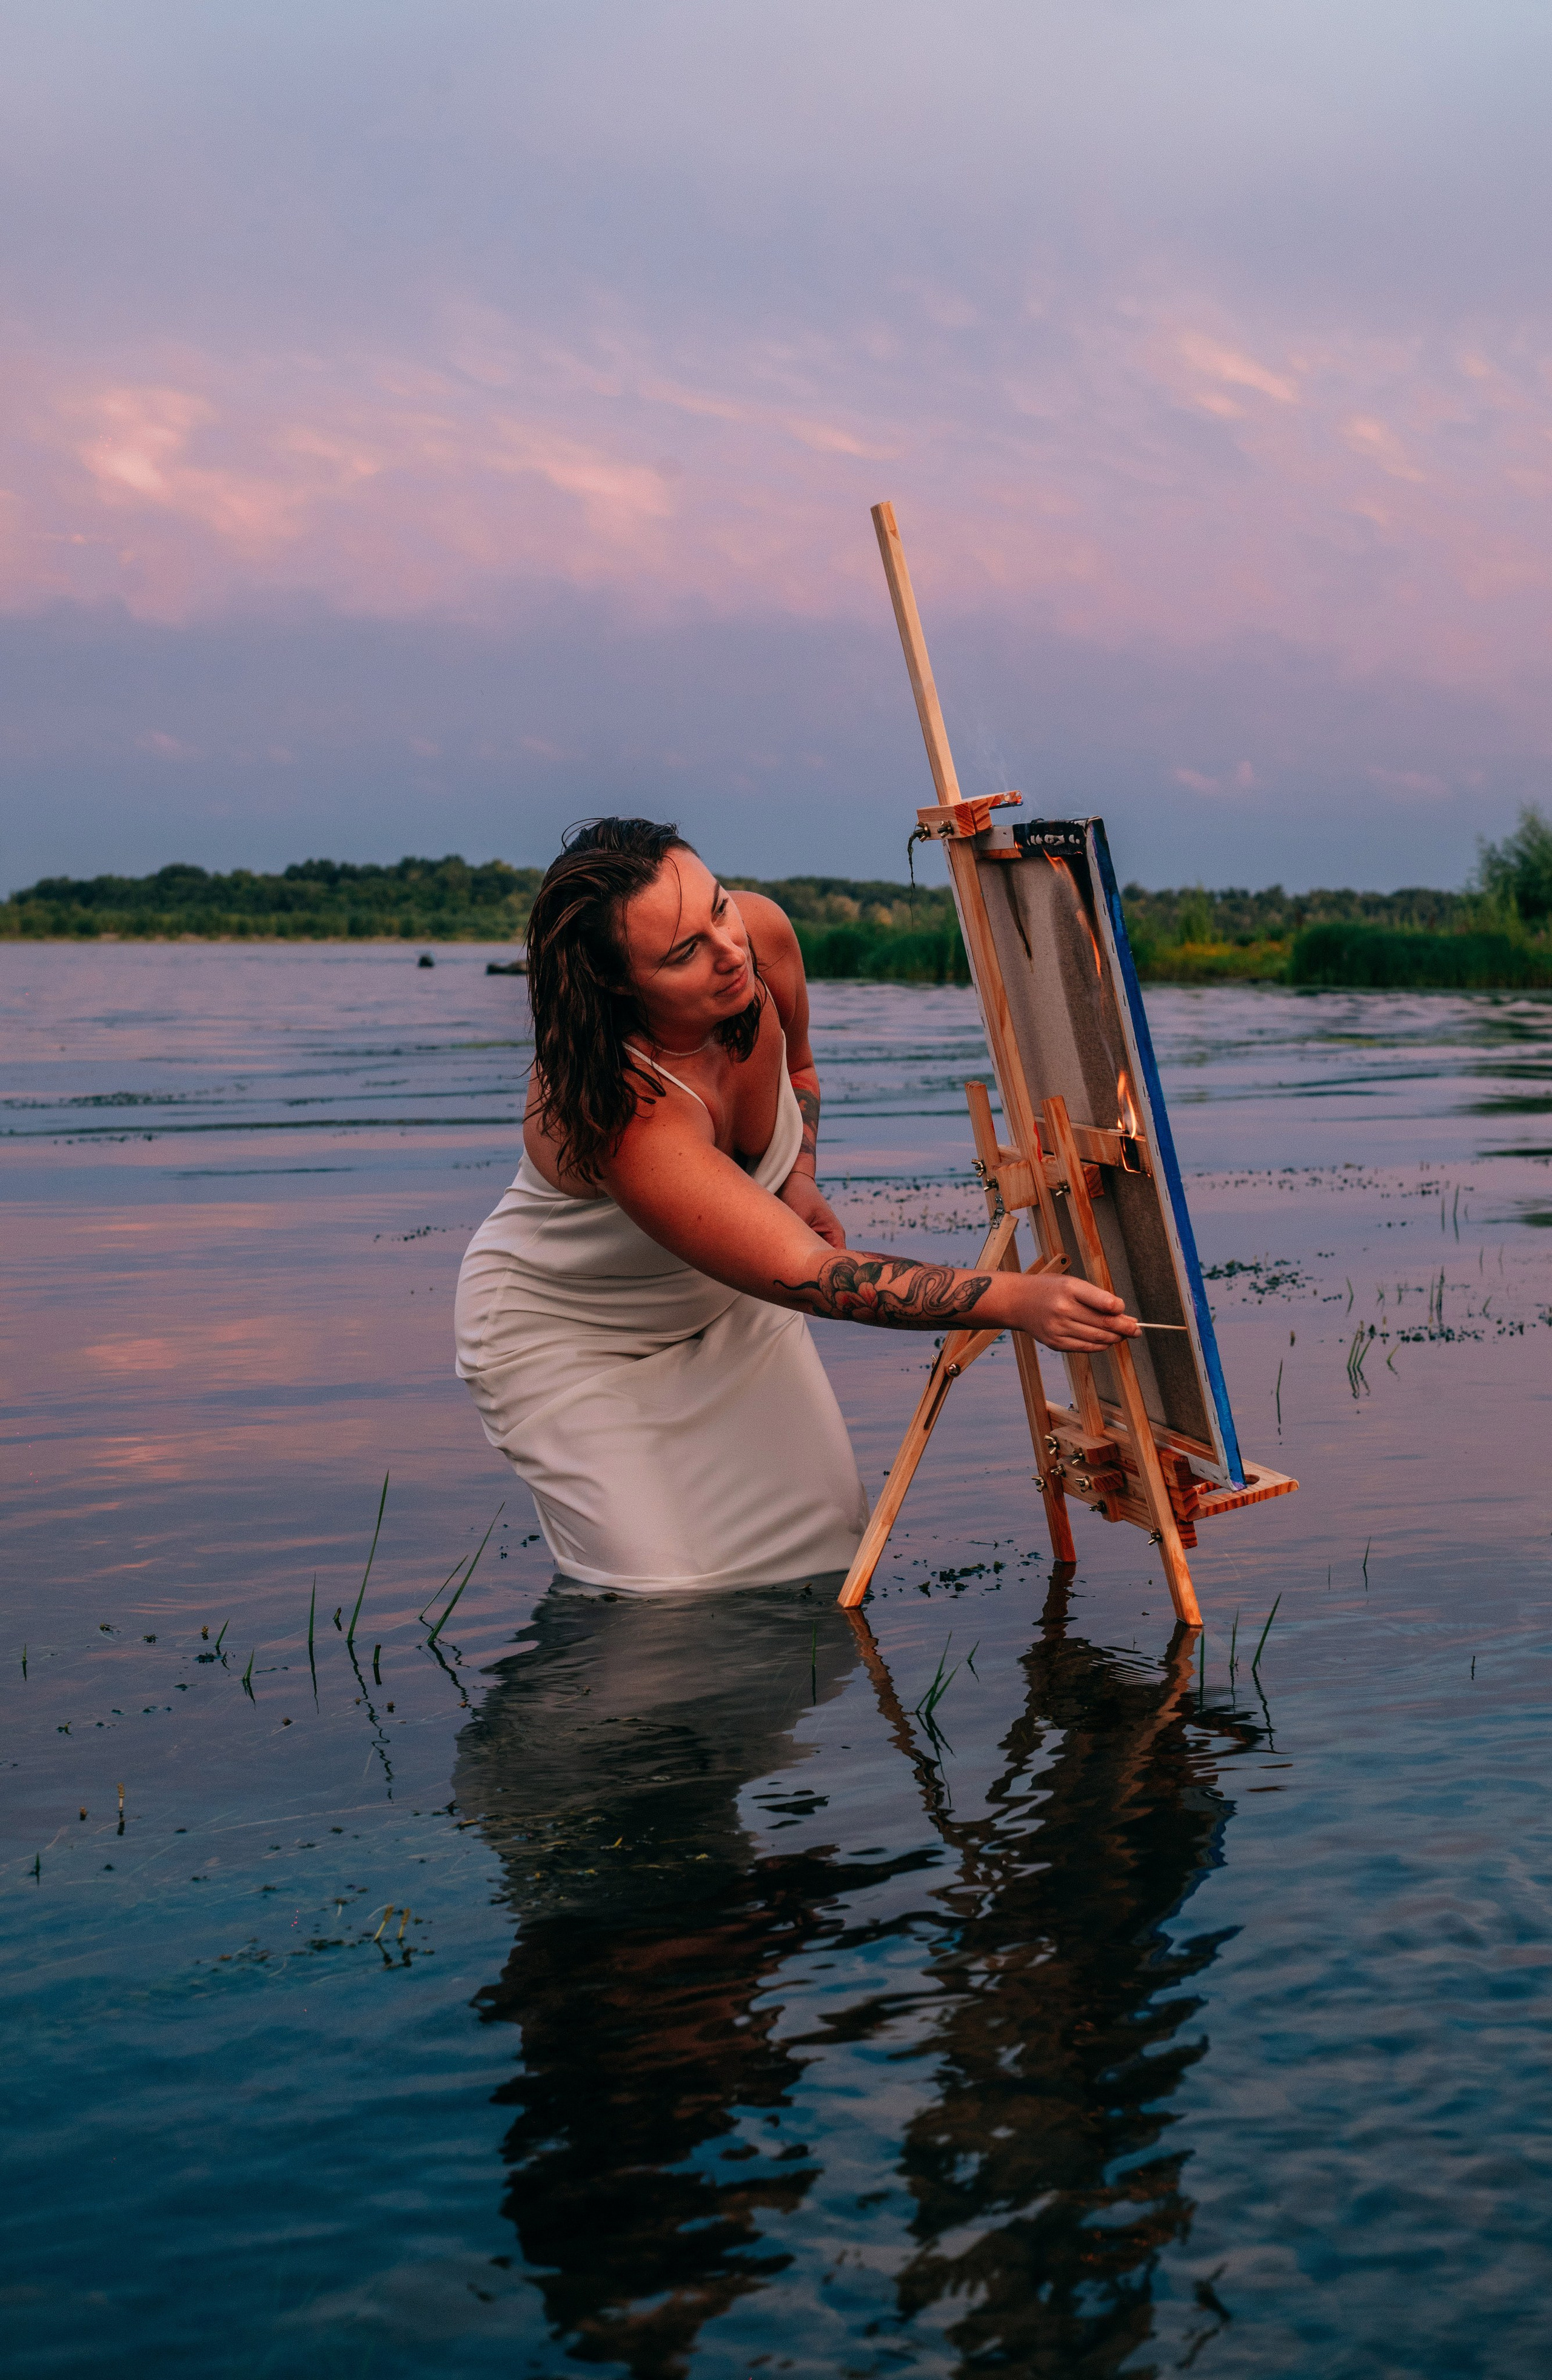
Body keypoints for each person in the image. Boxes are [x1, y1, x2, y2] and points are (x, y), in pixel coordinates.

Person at [453, 817, 1136, 1591]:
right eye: (683, 952)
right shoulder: (622, 1106)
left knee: (819, 1549)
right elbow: (813, 1273)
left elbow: (800, 1066)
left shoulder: (759, 935)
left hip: (729, 1296)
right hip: (574, 1340)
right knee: (661, 1595)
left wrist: (796, 1173)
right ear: (616, 982)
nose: (728, 950)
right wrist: (1014, 1298)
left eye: (716, 907)